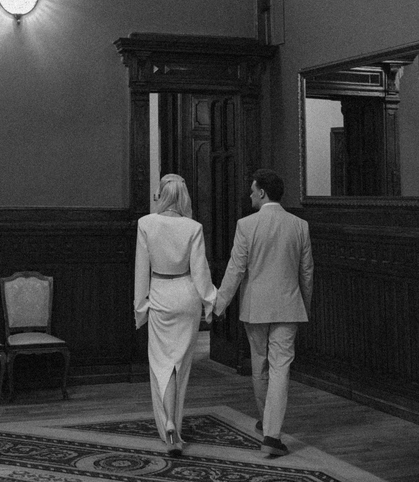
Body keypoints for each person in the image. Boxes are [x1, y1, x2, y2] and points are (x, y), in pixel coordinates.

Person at [215, 169, 313, 458]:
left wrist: (219, 305)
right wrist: (304, 304)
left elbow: (235, 269)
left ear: (261, 192)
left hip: (255, 308)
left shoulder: (246, 225)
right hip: (289, 306)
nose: (249, 194)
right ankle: (272, 433)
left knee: (260, 366)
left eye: (252, 190)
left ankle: (266, 423)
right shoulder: (300, 225)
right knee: (281, 368)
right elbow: (307, 272)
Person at [134, 174, 216, 456]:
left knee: (162, 364)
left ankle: (168, 423)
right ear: (184, 197)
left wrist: (140, 307)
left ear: (161, 195)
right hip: (187, 297)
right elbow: (200, 271)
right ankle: (174, 426)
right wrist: (211, 301)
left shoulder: (146, 223)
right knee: (181, 365)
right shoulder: (193, 227)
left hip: (160, 295)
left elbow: (141, 271)